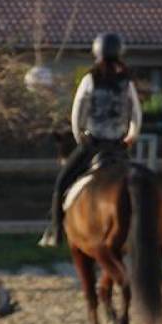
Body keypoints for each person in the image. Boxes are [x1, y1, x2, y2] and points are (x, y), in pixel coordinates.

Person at [39, 32, 142, 248]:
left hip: (94, 145)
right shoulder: (127, 82)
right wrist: (131, 135)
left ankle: (56, 232)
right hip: (119, 148)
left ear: (97, 53)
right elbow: (136, 115)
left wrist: (80, 137)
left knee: (62, 182)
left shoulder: (89, 79)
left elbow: (77, 114)